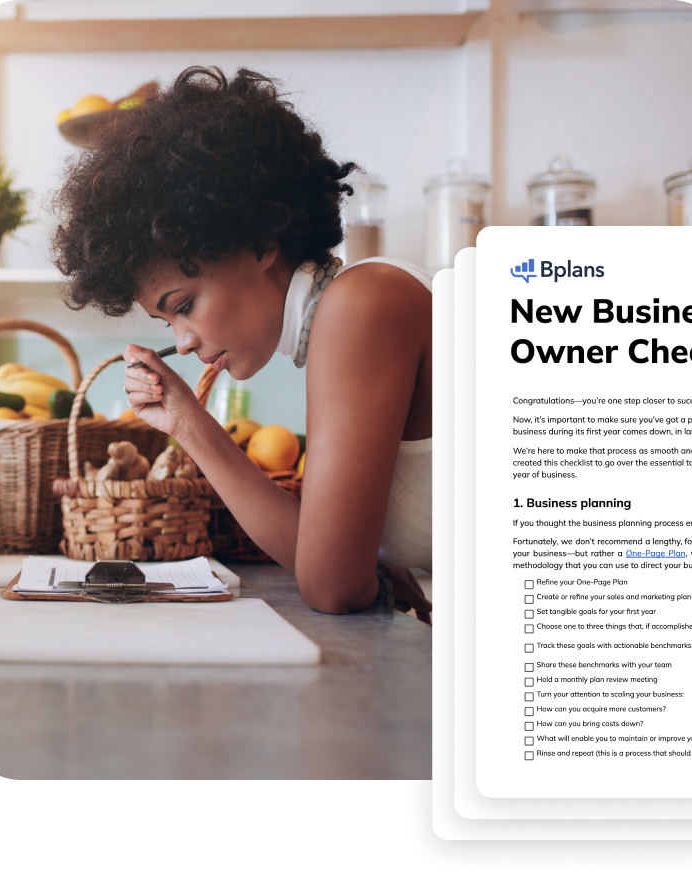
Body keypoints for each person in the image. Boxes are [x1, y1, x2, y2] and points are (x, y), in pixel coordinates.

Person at [51, 66, 432, 621]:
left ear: (259, 243)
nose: (183, 343)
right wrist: (187, 423)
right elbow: (321, 559)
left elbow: (331, 586)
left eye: (184, 305)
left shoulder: (362, 303)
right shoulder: (345, 311)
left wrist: (354, 574)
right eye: (166, 322)